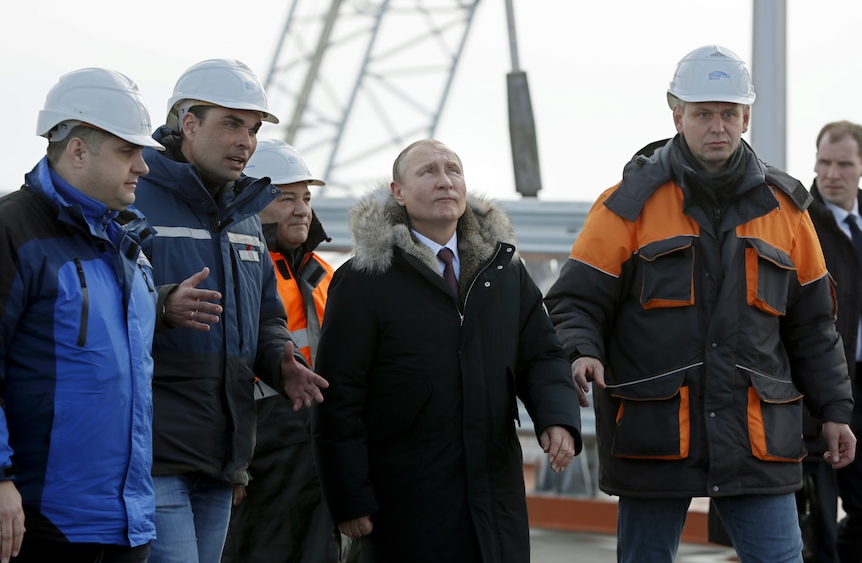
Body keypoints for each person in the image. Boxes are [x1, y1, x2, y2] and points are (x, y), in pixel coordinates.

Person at [544, 44, 857, 563]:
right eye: (704, 113)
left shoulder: (787, 210)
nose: (718, 126)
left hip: (758, 437)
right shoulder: (627, 204)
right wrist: (581, 350)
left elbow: (814, 327)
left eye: (729, 114)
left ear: (746, 117)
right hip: (656, 433)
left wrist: (835, 410)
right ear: (677, 115)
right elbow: (575, 301)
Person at [311, 138, 582, 562]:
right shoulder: (364, 281)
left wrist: (559, 419)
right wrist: (350, 500)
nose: (445, 181)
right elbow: (339, 397)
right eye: (428, 172)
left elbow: (543, 355)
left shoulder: (504, 273)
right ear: (397, 192)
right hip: (406, 501)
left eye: (452, 170)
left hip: (494, 499)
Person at [133, 59, 329, 563]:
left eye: (253, 129)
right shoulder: (133, 200)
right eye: (231, 123)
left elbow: (266, 317)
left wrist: (281, 360)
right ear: (188, 123)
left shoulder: (243, 219)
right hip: (154, 454)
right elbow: (94, 305)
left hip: (223, 457)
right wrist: (161, 306)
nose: (246, 141)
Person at [0, 67, 163, 562]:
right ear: (77, 149)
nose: (143, 166)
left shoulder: (126, 242)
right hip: (43, 519)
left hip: (127, 522)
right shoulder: (14, 230)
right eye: (127, 151)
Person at [222, 139, 357, 563]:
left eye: (306, 198)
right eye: (285, 198)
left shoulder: (325, 277)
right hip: (261, 457)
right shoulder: (234, 267)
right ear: (251, 201)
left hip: (317, 456)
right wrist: (232, 461)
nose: (301, 209)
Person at [804, 120, 862, 563]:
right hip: (820, 392)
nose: (832, 173)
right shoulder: (802, 222)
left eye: (844, 164)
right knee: (817, 521)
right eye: (825, 162)